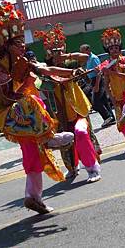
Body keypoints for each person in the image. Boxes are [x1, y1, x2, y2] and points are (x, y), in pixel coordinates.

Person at [0, 2, 75, 214]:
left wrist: (67, 73)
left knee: (32, 154)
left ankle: (33, 198)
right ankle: (50, 138)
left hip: (20, 115)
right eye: (18, 43)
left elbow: (44, 71)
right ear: (7, 45)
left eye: (23, 43)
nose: (23, 47)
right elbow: (3, 98)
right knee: (31, 100)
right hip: (6, 115)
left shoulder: (21, 61)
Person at [34, 24, 102, 183]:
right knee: (66, 142)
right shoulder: (47, 71)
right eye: (54, 52)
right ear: (49, 53)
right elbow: (41, 83)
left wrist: (66, 57)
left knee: (82, 134)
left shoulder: (70, 63)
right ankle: (72, 168)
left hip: (78, 107)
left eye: (60, 51)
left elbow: (85, 58)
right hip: (61, 112)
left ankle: (92, 169)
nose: (57, 54)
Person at [80, 44, 116, 128]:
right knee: (103, 100)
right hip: (93, 80)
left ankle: (107, 117)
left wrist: (96, 85)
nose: (81, 53)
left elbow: (99, 71)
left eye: (83, 51)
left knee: (95, 102)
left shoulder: (93, 58)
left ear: (88, 50)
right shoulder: (88, 59)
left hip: (97, 80)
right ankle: (111, 118)